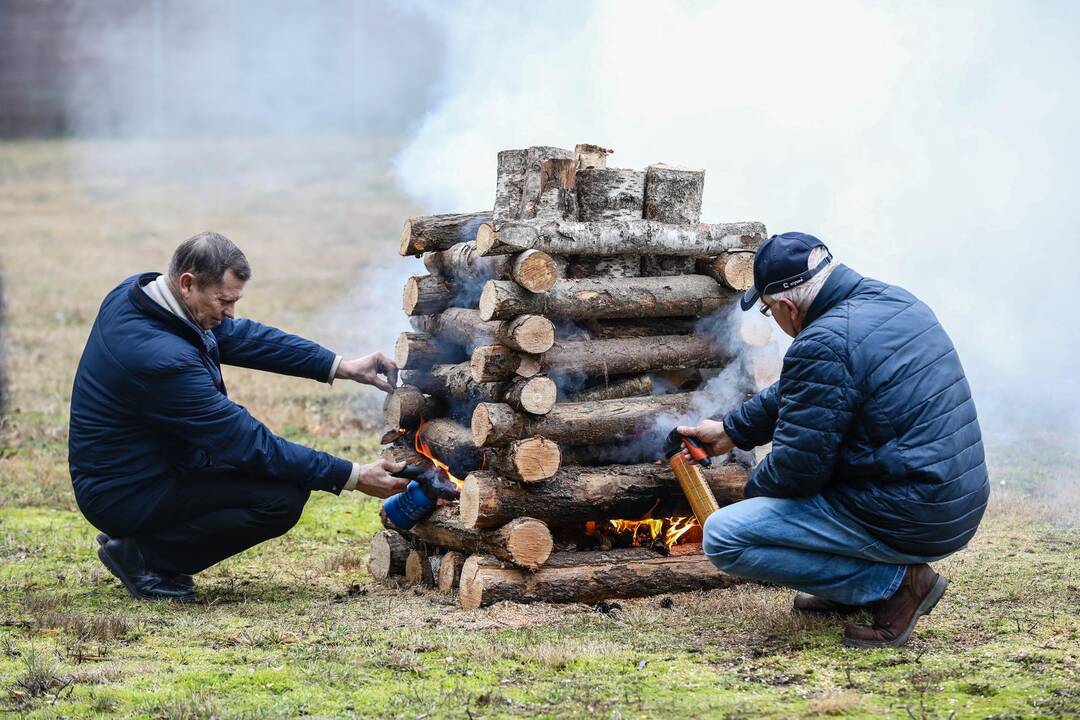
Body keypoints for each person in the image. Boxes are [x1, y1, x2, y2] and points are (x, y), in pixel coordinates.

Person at [678, 232, 989, 648]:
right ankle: (848, 590)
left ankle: (897, 584)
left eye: (769, 311)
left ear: (788, 306)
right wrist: (732, 430)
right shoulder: (893, 300)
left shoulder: (823, 342)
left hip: (911, 511)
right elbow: (803, 388)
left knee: (726, 535)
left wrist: (756, 497)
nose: (776, 321)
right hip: (954, 501)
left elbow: (796, 470)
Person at [69, 231, 409, 602]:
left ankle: (149, 543)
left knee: (284, 483)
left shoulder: (147, 297)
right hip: (125, 491)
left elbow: (244, 337)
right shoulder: (159, 360)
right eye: (224, 301)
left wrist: (340, 366)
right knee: (279, 500)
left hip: (150, 467)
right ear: (188, 283)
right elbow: (247, 443)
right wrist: (354, 476)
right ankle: (144, 557)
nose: (230, 313)